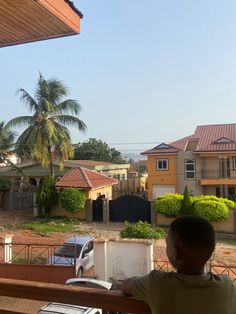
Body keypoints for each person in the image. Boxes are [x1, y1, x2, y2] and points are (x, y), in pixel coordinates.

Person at [121, 215, 236, 314]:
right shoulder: (227, 287)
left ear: (174, 252)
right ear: (211, 251)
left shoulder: (156, 283)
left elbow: (125, 286)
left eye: (167, 243)